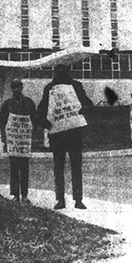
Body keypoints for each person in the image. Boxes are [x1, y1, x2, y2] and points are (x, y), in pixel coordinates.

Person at [37, 64, 94, 210]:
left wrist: (85, 108)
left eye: (63, 71)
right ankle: (60, 199)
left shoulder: (76, 86)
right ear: (55, 73)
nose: (61, 74)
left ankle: (78, 199)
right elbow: (41, 109)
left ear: (67, 72)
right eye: (58, 71)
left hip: (73, 132)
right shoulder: (49, 89)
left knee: (76, 166)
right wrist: (44, 121)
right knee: (59, 167)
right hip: (58, 133)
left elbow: (88, 103)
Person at [0, 79, 36, 204]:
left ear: (21, 87)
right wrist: (6, 138)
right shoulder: (7, 104)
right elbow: (2, 122)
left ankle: (24, 195)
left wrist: (30, 134)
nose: (16, 89)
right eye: (13, 87)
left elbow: (34, 119)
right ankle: (15, 194)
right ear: (11, 88)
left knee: (24, 169)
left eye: (18, 87)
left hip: (24, 141)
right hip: (13, 142)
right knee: (14, 169)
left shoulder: (28, 103)